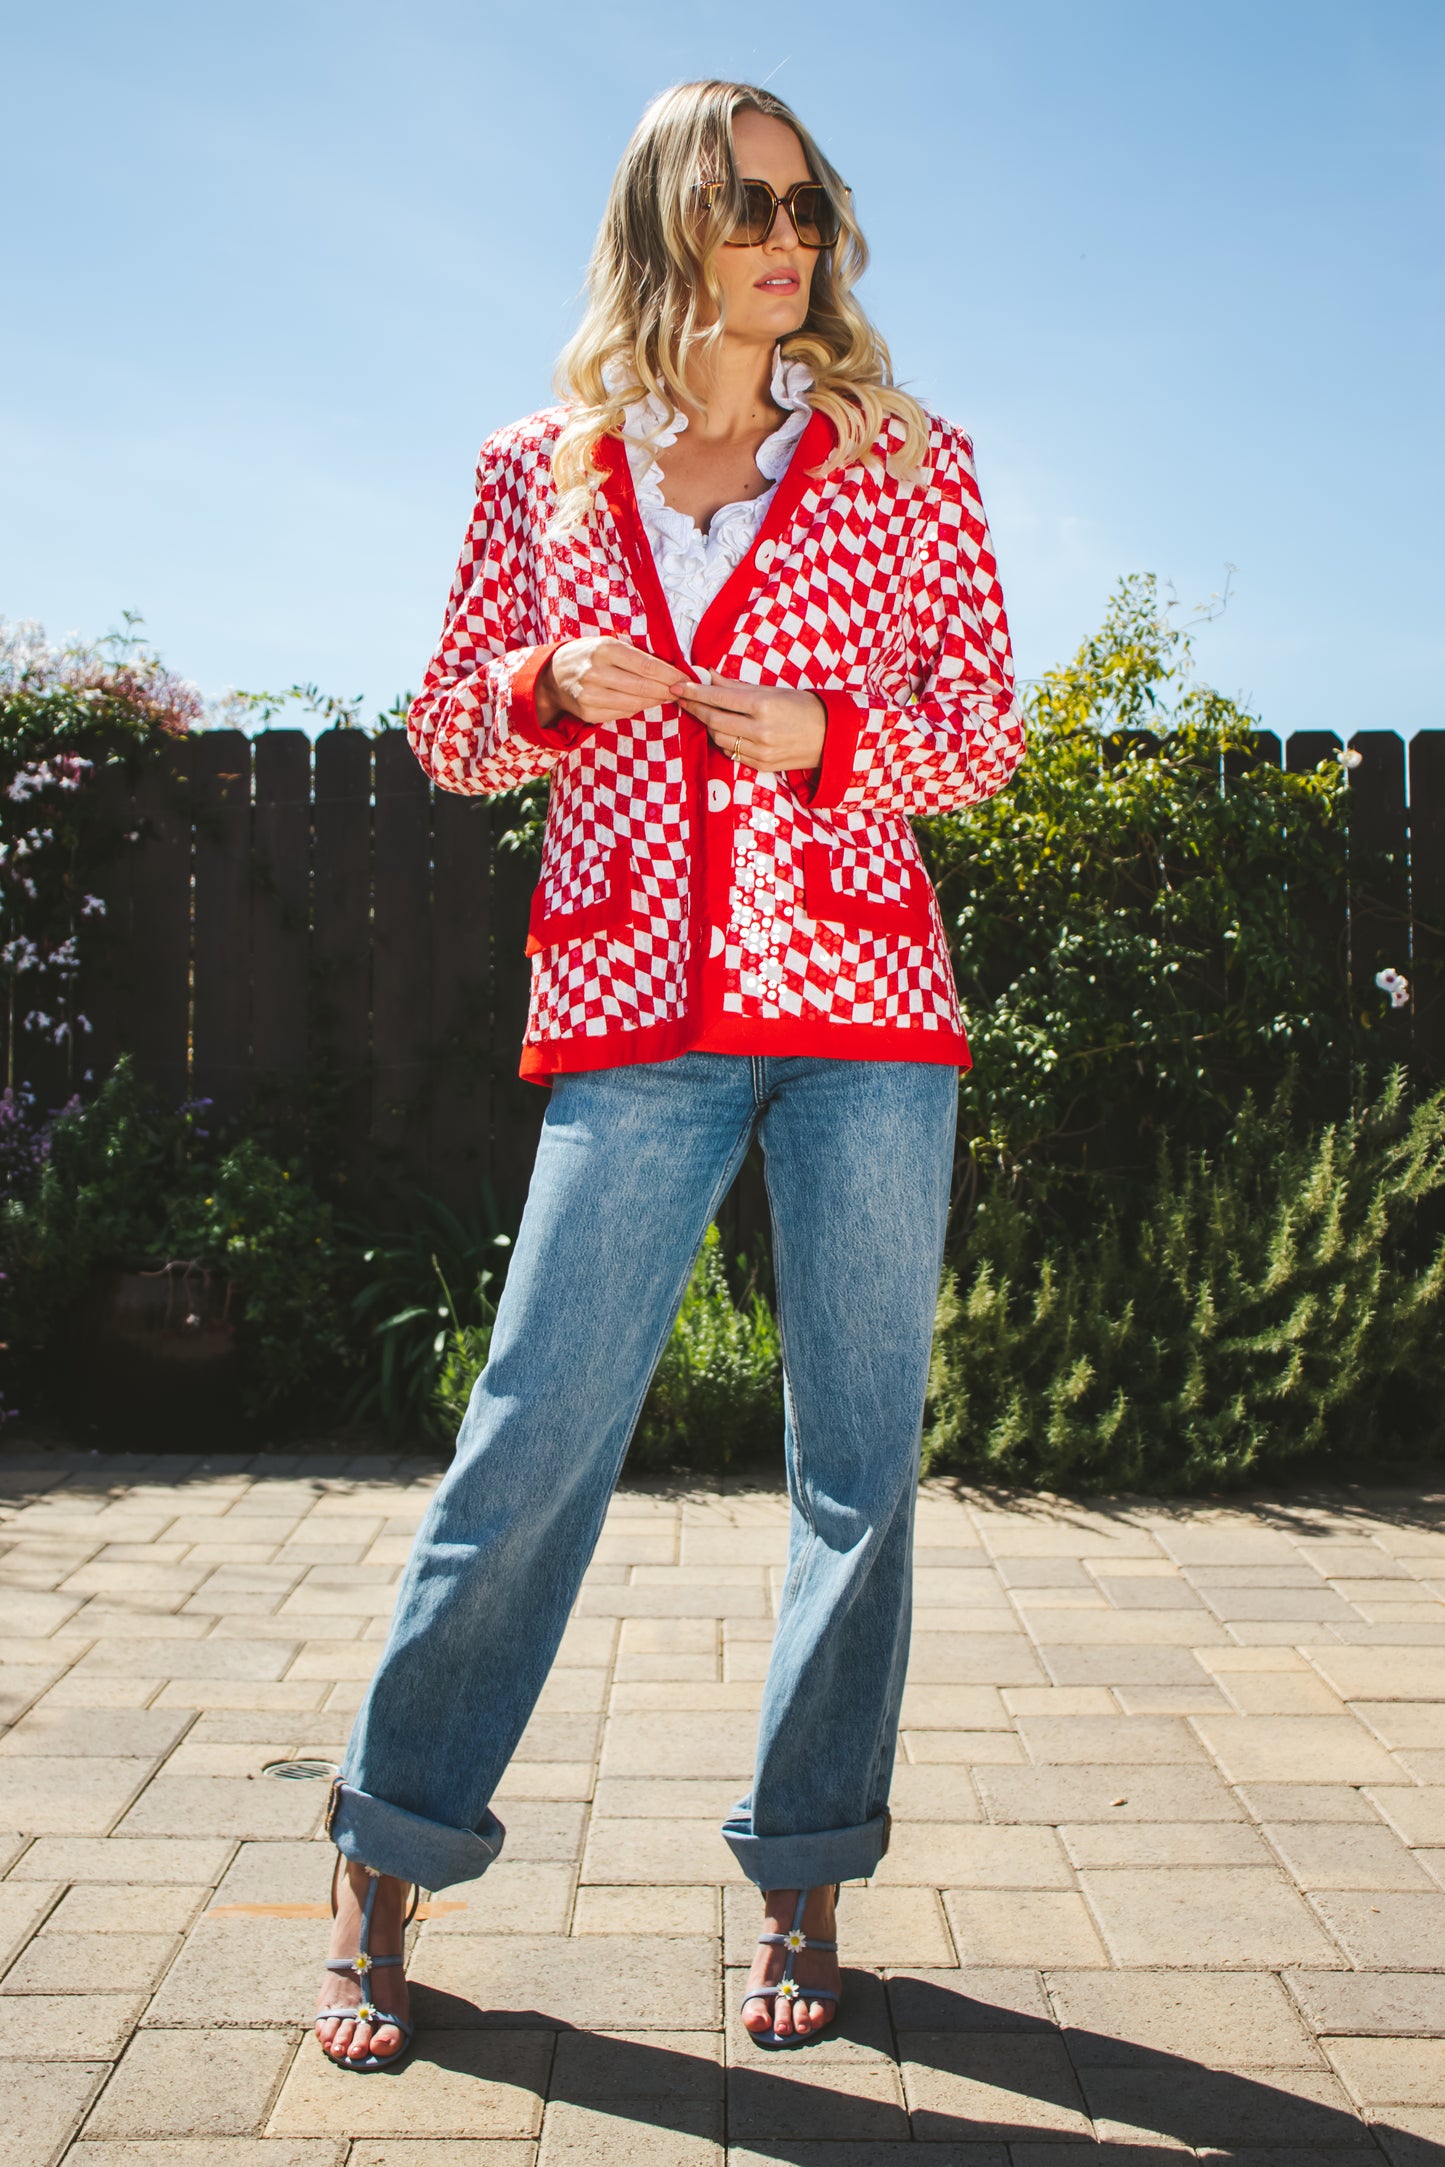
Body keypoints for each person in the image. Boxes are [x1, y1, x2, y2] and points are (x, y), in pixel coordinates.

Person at [313, 77, 1024, 2070]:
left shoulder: (907, 461)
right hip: (635, 1007)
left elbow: (983, 733)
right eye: (745, 206)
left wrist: (828, 739)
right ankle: (382, 1855)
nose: (788, 240)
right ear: (664, 227)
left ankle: (805, 1870)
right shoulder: (536, 471)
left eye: (806, 207)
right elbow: (451, 731)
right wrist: (542, 686)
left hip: (865, 1008)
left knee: (856, 1469)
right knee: (531, 1438)